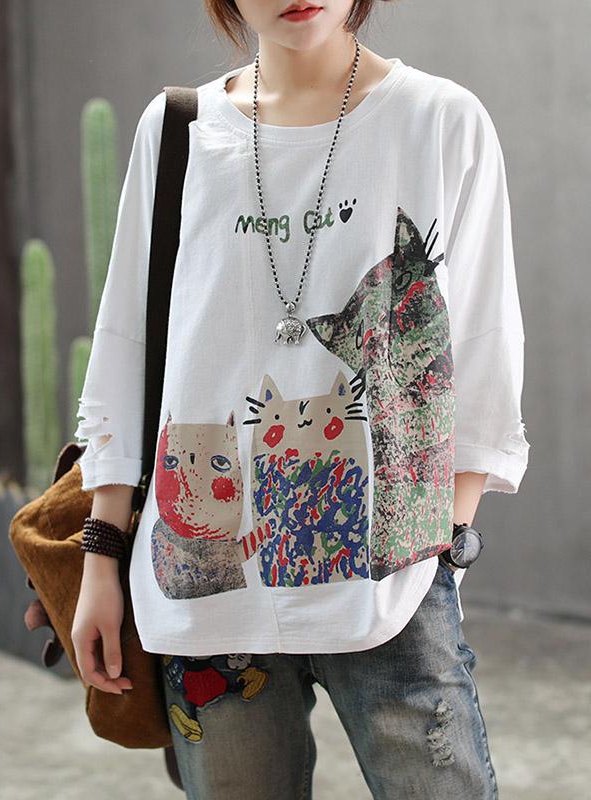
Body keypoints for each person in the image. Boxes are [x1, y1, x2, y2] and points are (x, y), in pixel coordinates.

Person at [71, 1, 531, 797]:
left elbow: (486, 346)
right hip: (211, 597)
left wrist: (445, 544)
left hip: (389, 585)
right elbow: (125, 348)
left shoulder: (439, 120)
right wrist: (101, 557)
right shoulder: (179, 130)